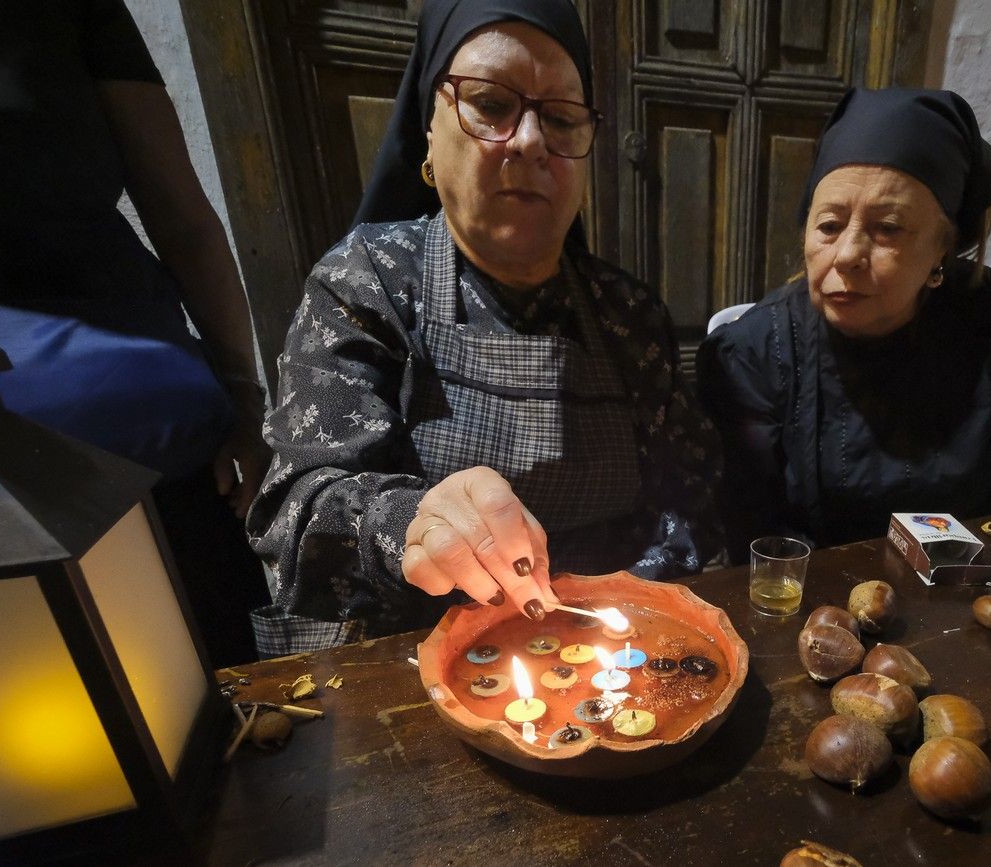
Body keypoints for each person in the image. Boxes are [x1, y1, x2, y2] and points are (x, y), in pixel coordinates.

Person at [247, 0, 721, 652]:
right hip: (412, 660)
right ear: (429, 133)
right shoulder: (367, 284)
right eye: (492, 105)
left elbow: (690, 499)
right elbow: (296, 509)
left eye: (558, 118)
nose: (530, 140)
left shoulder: (629, 316)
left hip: (601, 660)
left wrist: (623, 617)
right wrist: (411, 520)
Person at [0, 0, 271, 666]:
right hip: (6, 496)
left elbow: (186, 221)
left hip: (168, 449)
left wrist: (245, 401)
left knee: (243, 702)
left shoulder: (71, 13)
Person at [696, 87, 991, 562]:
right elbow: (753, 540)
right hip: (810, 607)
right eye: (830, 225)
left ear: (944, 248)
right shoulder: (756, 354)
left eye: (888, 229)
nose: (848, 254)